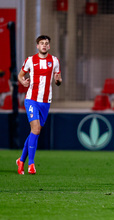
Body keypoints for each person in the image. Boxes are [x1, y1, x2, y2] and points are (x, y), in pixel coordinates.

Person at [16, 35, 62, 175]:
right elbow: (20, 75)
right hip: (31, 100)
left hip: (45, 102)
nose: (44, 45)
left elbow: (58, 80)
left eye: (46, 43)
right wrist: (23, 82)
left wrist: (58, 80)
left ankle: (21, 161)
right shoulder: (30, 60)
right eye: (41, 43)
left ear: (49, 46)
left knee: (34, 132)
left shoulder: (54, 61)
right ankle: (31, 164)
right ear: (37, 46)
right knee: (35, 129)